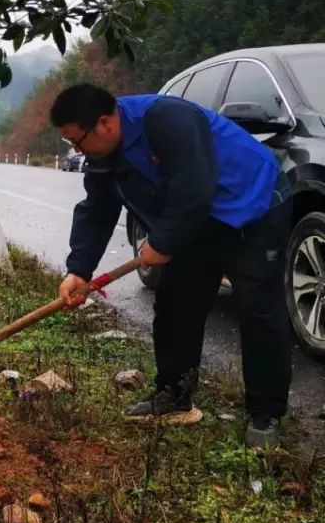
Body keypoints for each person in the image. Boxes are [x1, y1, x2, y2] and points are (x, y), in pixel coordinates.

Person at [50, 83, 292, 450]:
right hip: (199, 220)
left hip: (253, 206)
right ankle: (175, 395)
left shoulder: (165, 119)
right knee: (177, 301)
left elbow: (194, 187)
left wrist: (162, 242)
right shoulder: (104, 158)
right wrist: (79, 270)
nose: (78, 150)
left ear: (105, 123)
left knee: (259, 309)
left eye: (78, 141)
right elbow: (96, 212)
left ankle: (266, 413)